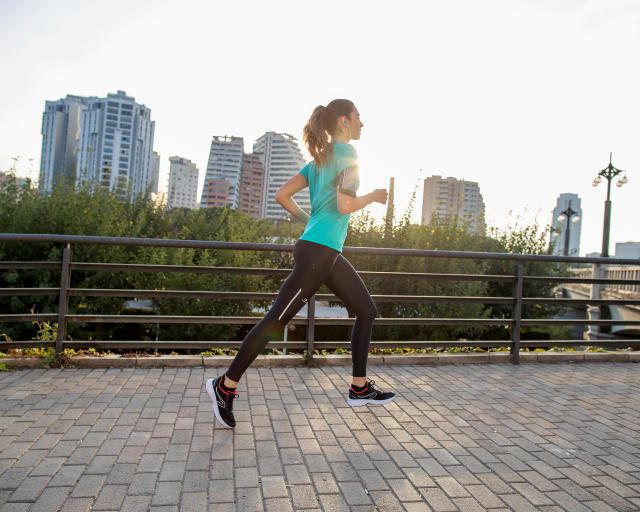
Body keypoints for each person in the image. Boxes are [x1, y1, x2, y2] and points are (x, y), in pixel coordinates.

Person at [206, 99, 397, 429]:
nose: (362, 124)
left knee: (366, 310)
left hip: (323, 250)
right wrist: (375, 196)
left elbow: (282, 195)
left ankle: (359, 387)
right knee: (276, 320)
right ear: (344, 121)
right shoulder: (349, 156)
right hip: (318, 253)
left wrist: (311, 222)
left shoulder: (319, 160)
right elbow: (345, 203)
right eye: (358, 118)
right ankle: (225, 385)